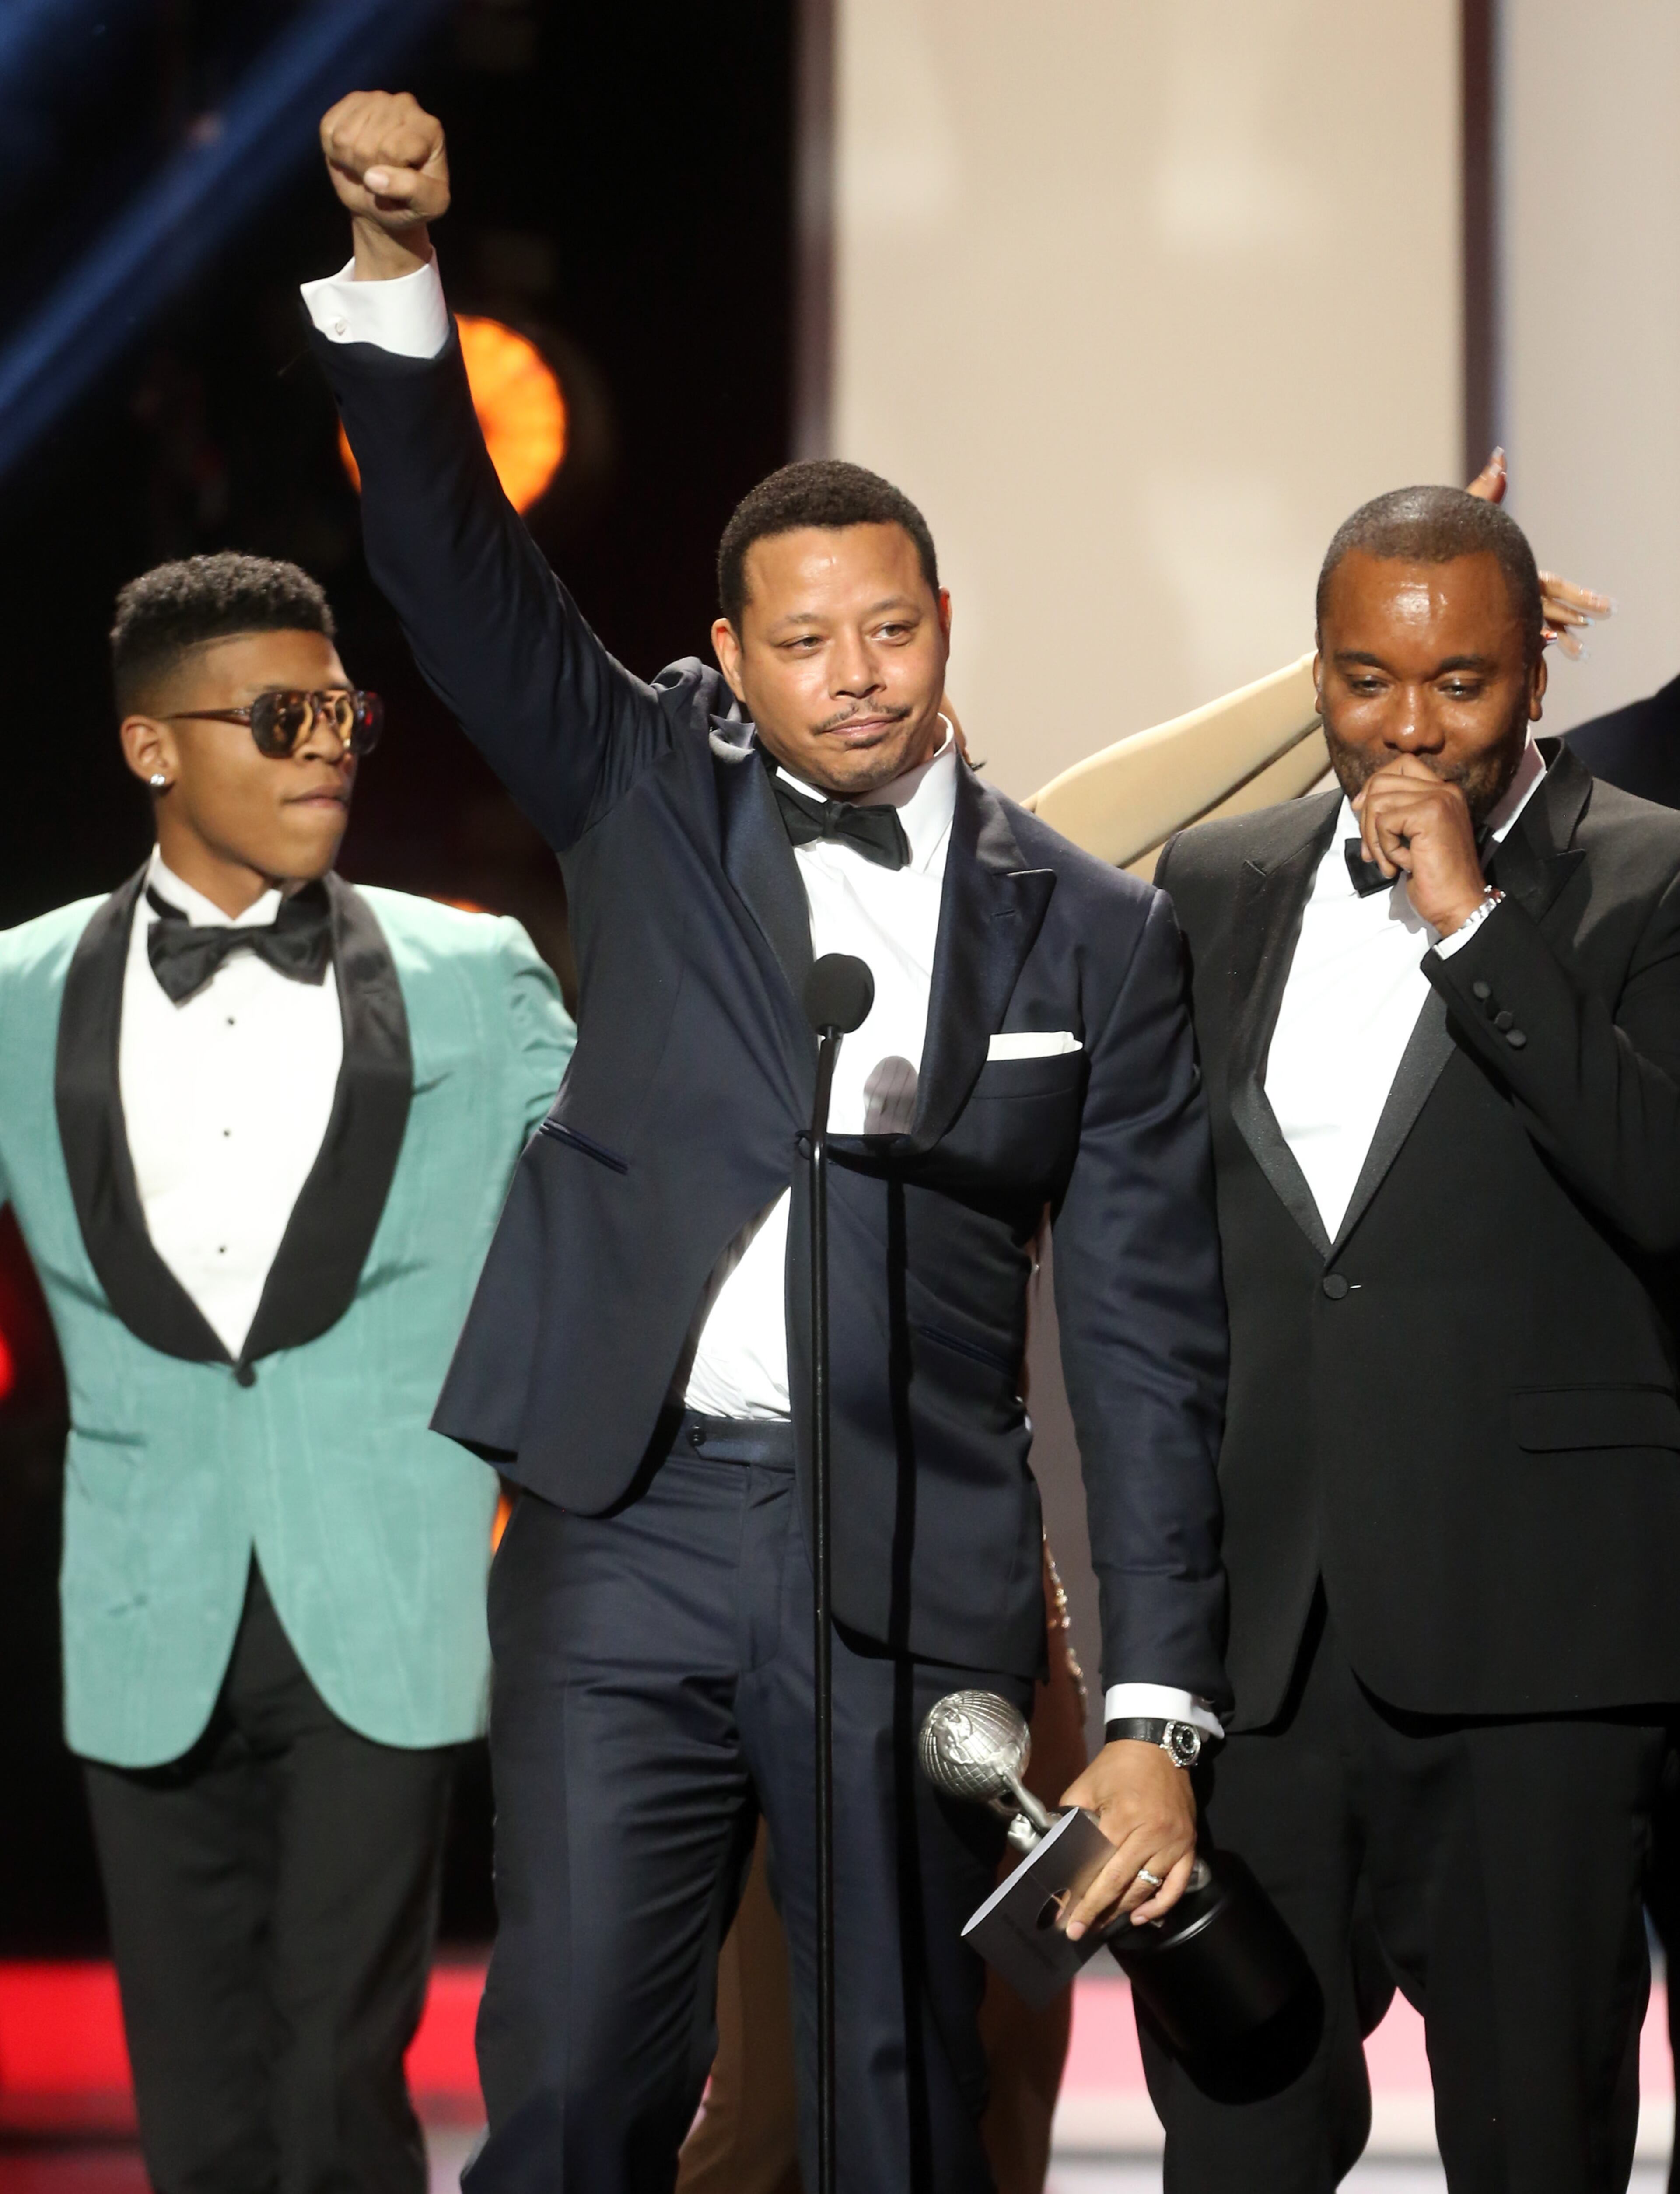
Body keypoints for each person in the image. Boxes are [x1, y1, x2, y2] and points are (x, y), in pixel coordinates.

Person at [303, 89, 1232, 2193]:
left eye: (890, 630)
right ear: (729, 657)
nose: (856, 678)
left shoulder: (1093, 936)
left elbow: (1149, 1348)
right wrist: (395, 277)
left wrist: (1158, 1710)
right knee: (571, 2086)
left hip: (912, 1553)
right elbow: (452, 566)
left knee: (888, 2098)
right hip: (627, 1523)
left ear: (944, 621)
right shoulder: (647, 789)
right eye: (803, 644)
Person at [0, 553, 574, 2194]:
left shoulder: (478, 976)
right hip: (141, 1599)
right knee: (195, 2105)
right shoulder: (17, 992)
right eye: (279, 719)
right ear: (150, 747)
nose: (328, 749)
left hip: (386, 1590)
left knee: (336, 2075)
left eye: (343, 715)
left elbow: (622, 1221)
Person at [1140, 485, 1680, 2191]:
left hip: (1536, 1657)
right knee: (1237, 2146)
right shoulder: (1217, 883)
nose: (1412, 728)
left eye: (1461, 682)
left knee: (1537, 2147)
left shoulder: (1650, 873)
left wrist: (1475, 925)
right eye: (1368, 680)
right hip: (1267, 1658)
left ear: (1537, 677)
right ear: (1315, 673)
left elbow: (1664, 1185)